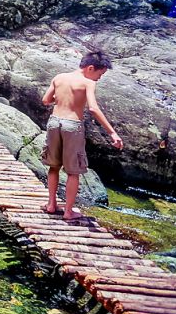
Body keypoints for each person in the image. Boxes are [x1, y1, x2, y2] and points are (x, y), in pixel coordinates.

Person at [41, 51, 123, 220]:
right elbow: (93, 108)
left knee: (53, 166)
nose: (99, 78)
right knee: (73, 171)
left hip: (54, 122)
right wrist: (112, 132)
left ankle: (51, 205)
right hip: (72, 126)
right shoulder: (88, 83)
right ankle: (68, 212)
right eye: (100, 74)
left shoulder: (59, 77)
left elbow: (46, 100)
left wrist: (61, 99)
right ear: (90, 68)